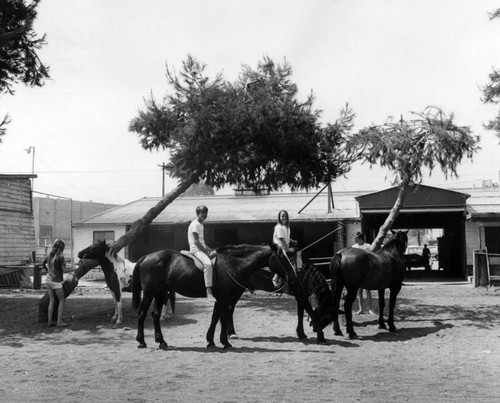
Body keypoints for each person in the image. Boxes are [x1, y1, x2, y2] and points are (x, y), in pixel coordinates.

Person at [188, 205, 216, 302]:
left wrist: (211, 249)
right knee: (208, 264)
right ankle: (208, 291)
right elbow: (196, 242)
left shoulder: (201, 225)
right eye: (202, 213)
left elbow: (202, 242)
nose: (204, 215)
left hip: (201, 248)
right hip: (196, 250)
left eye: (206, 213)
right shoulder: (195, 224)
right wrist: (207, 251)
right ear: (197, 214)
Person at [42, 239, 69, 327]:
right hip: (56, 282)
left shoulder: (50, 254)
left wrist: (48, 271)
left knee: (52, 301)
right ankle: (59, 321)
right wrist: (74, 268)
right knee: (62, 300)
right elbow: (65, 270)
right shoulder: (60, 256)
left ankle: (50, 321)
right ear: (62, 247)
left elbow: (43, 263)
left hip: (48, 280)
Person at [272, 210, 297, 288]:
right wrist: (288, 249)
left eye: (285, 216)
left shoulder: (287, 227)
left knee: (297, 253)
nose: (284, 217)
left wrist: (293, 241)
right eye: (282, 216)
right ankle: (275, 277)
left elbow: (287, 238)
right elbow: (282, 239)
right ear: (279, 217)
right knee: (285, 259)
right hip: (279, 247)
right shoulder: (278, 227)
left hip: (284, 246)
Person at [352, 232, 375, 315]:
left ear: (361, 239)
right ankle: (361, 309)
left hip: (366, 271)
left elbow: (371, 257)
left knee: (367, 290)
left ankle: (370, 309)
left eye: (356, 238)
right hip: (357, 271)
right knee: (359, 290)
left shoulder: (368, 246)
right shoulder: (353, 247)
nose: (354, 239)